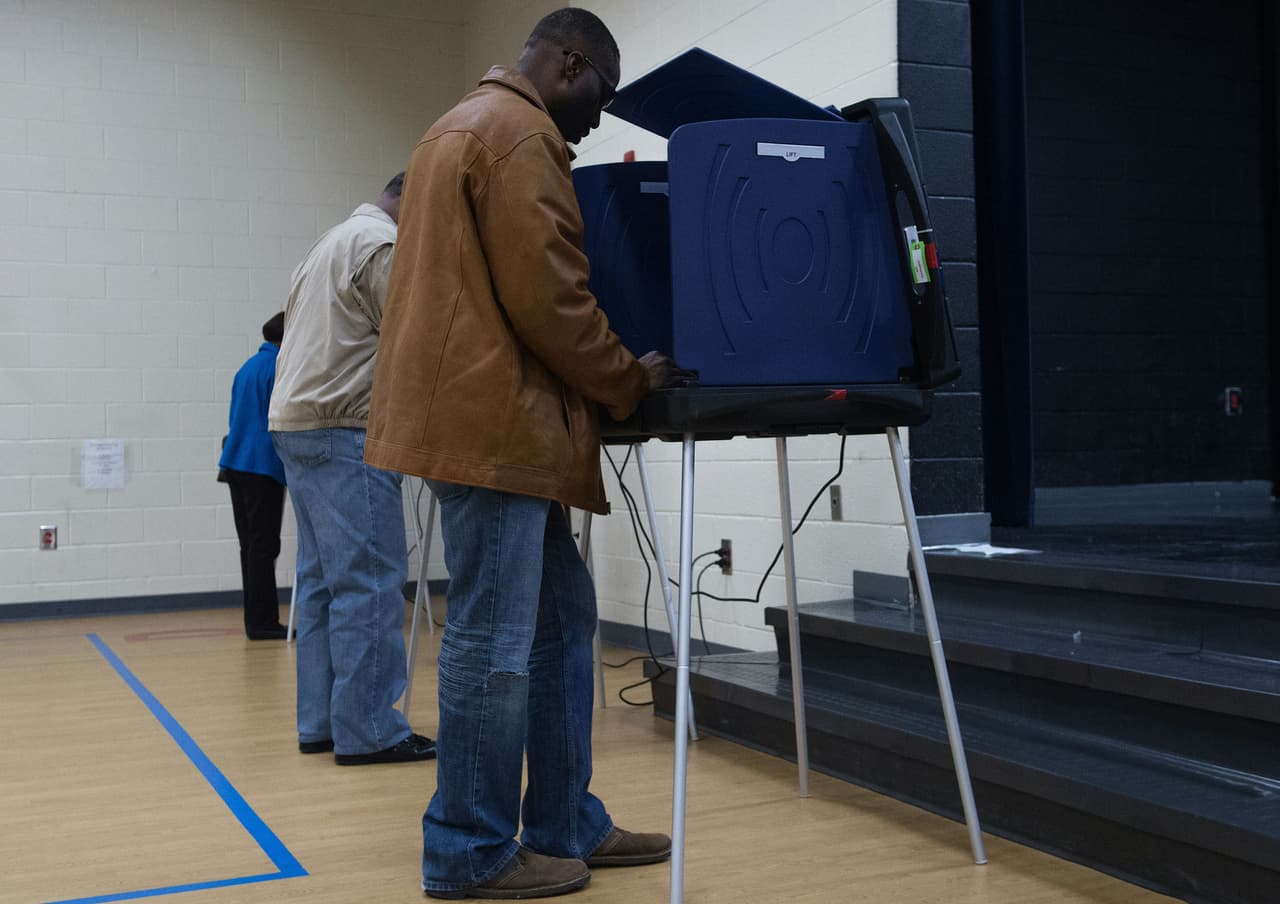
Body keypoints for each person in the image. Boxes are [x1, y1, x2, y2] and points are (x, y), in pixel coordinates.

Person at [366, 9, 692, 899]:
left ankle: (562, 824)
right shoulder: (519, 136)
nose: (596, 120)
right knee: (496, 641)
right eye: (602, 97)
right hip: (492, 424)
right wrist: (628, 375)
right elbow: (552, 297)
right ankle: (468, 852)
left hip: (477, 420)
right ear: (571, 63)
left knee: (556, 622)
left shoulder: (455, 125)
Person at [268, 173, 435, 766]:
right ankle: (369, 730)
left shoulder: (330, 241)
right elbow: (416, 340)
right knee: (367, 581)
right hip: (344, 428)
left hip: (296, 425)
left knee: (320, 584)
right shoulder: (379, 246)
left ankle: (321, 722)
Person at [219, 312, 289, 641]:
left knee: (250, 548)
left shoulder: (246, 367)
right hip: (262, 467)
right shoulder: (279, 369)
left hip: (235, 464)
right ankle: (264, 624)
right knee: (264, 547)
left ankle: (256, 621)